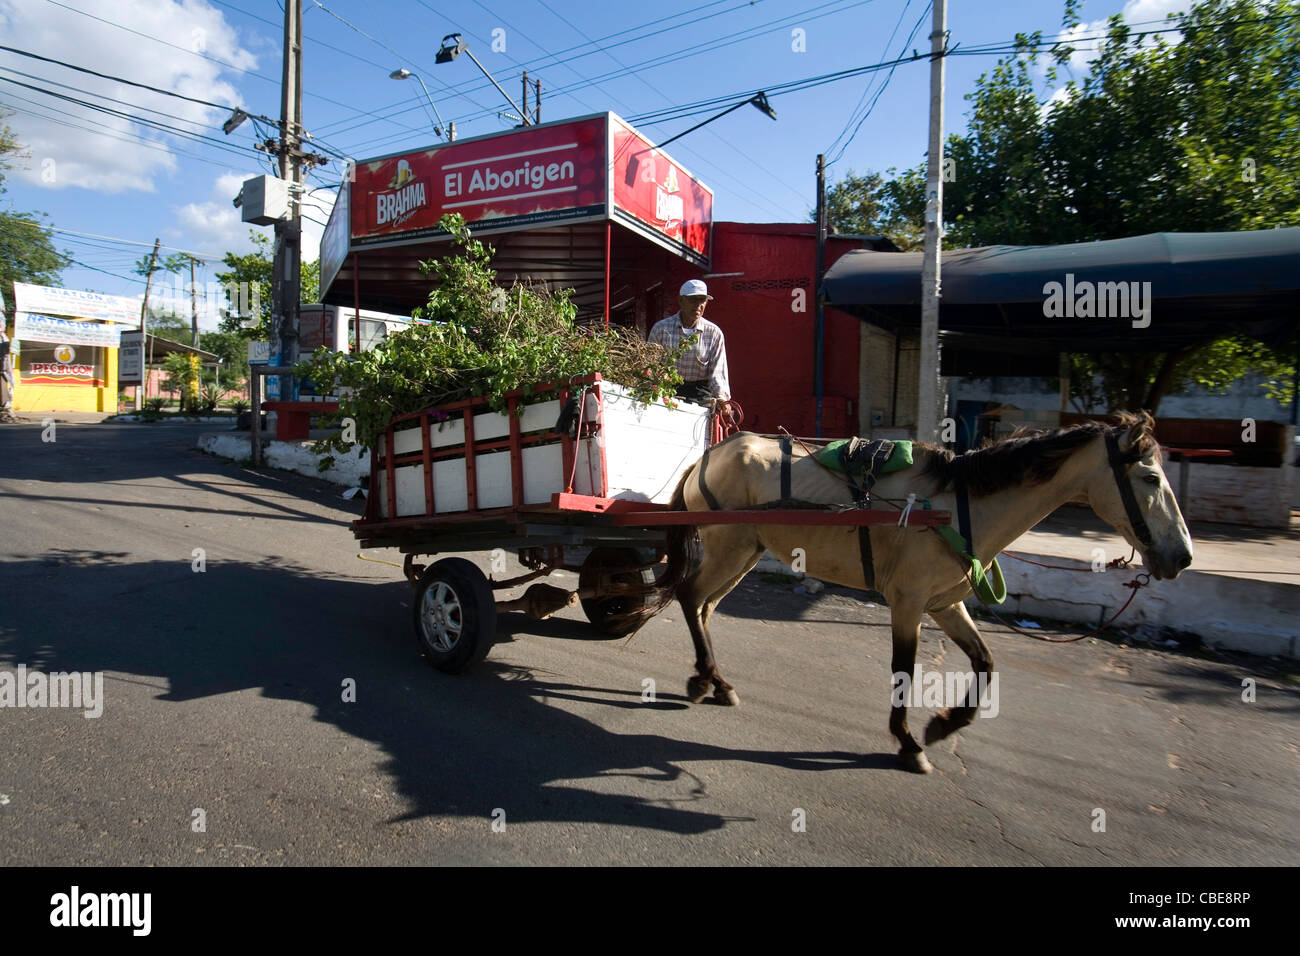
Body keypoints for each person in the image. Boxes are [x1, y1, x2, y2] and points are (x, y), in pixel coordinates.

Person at [647, 279, 731, 405]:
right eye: (693, 300)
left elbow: (717, 373)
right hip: (666, 390)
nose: (698, 305)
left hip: (700, 394)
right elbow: (650, 365)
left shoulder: (714, 333)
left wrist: (722, 399)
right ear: (681, 301)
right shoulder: (661, 329)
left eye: (702, 300)